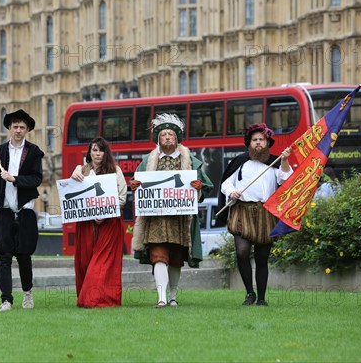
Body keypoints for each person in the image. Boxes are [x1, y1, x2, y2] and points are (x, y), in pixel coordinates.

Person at [131, 113, 213, 308]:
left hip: (180, 219)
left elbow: (206, 186)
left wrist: (198, 186)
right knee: (158, 255)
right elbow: (138, 184)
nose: (167, 137)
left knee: (176, 258)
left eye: (171, 134)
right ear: (158, 138)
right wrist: (134, 185)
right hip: (155, 219)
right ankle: (161, 297)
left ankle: (173, 296)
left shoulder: (191, 161)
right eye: (164, 134)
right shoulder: (147, 161)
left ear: (177, 138)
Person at [217, 123, 292, 307]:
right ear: (249, 143)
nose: (258, 143)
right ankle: (249, 293)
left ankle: (261, 298)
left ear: (267, 143)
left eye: (262, 140)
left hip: (265, 213)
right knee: (242, 253)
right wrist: (232, 191)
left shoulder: (274, 163)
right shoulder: (239, 162)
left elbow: (286, 179)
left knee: (261, 258)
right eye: (255, 140)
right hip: (241, 211)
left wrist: (284, 161)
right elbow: (225, 184)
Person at [0, 109, 44, 312]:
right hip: (4, 210)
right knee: (4, 256)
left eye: (22, 127)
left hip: (25, 209)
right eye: (15, 126)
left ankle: (27, 293)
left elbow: (37, 179)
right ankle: (6, 300)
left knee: (24, 255)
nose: (18, 130)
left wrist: (15, 179)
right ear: (9, 128)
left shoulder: (34, 152)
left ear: (27, 130)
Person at [70, 137, 127, 308]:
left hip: (109, 224)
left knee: (103, 263)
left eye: (100, 150)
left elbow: (122, 197)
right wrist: (74, 175)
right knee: (86, 261)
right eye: (94, 150)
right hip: (86, 225)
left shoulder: (115, 170)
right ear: (89, 152)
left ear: (105, 152)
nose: (97, 153)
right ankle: (92, 296)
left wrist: (104, 212)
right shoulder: (81, 170)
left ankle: (97, 299)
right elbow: (73, 193)